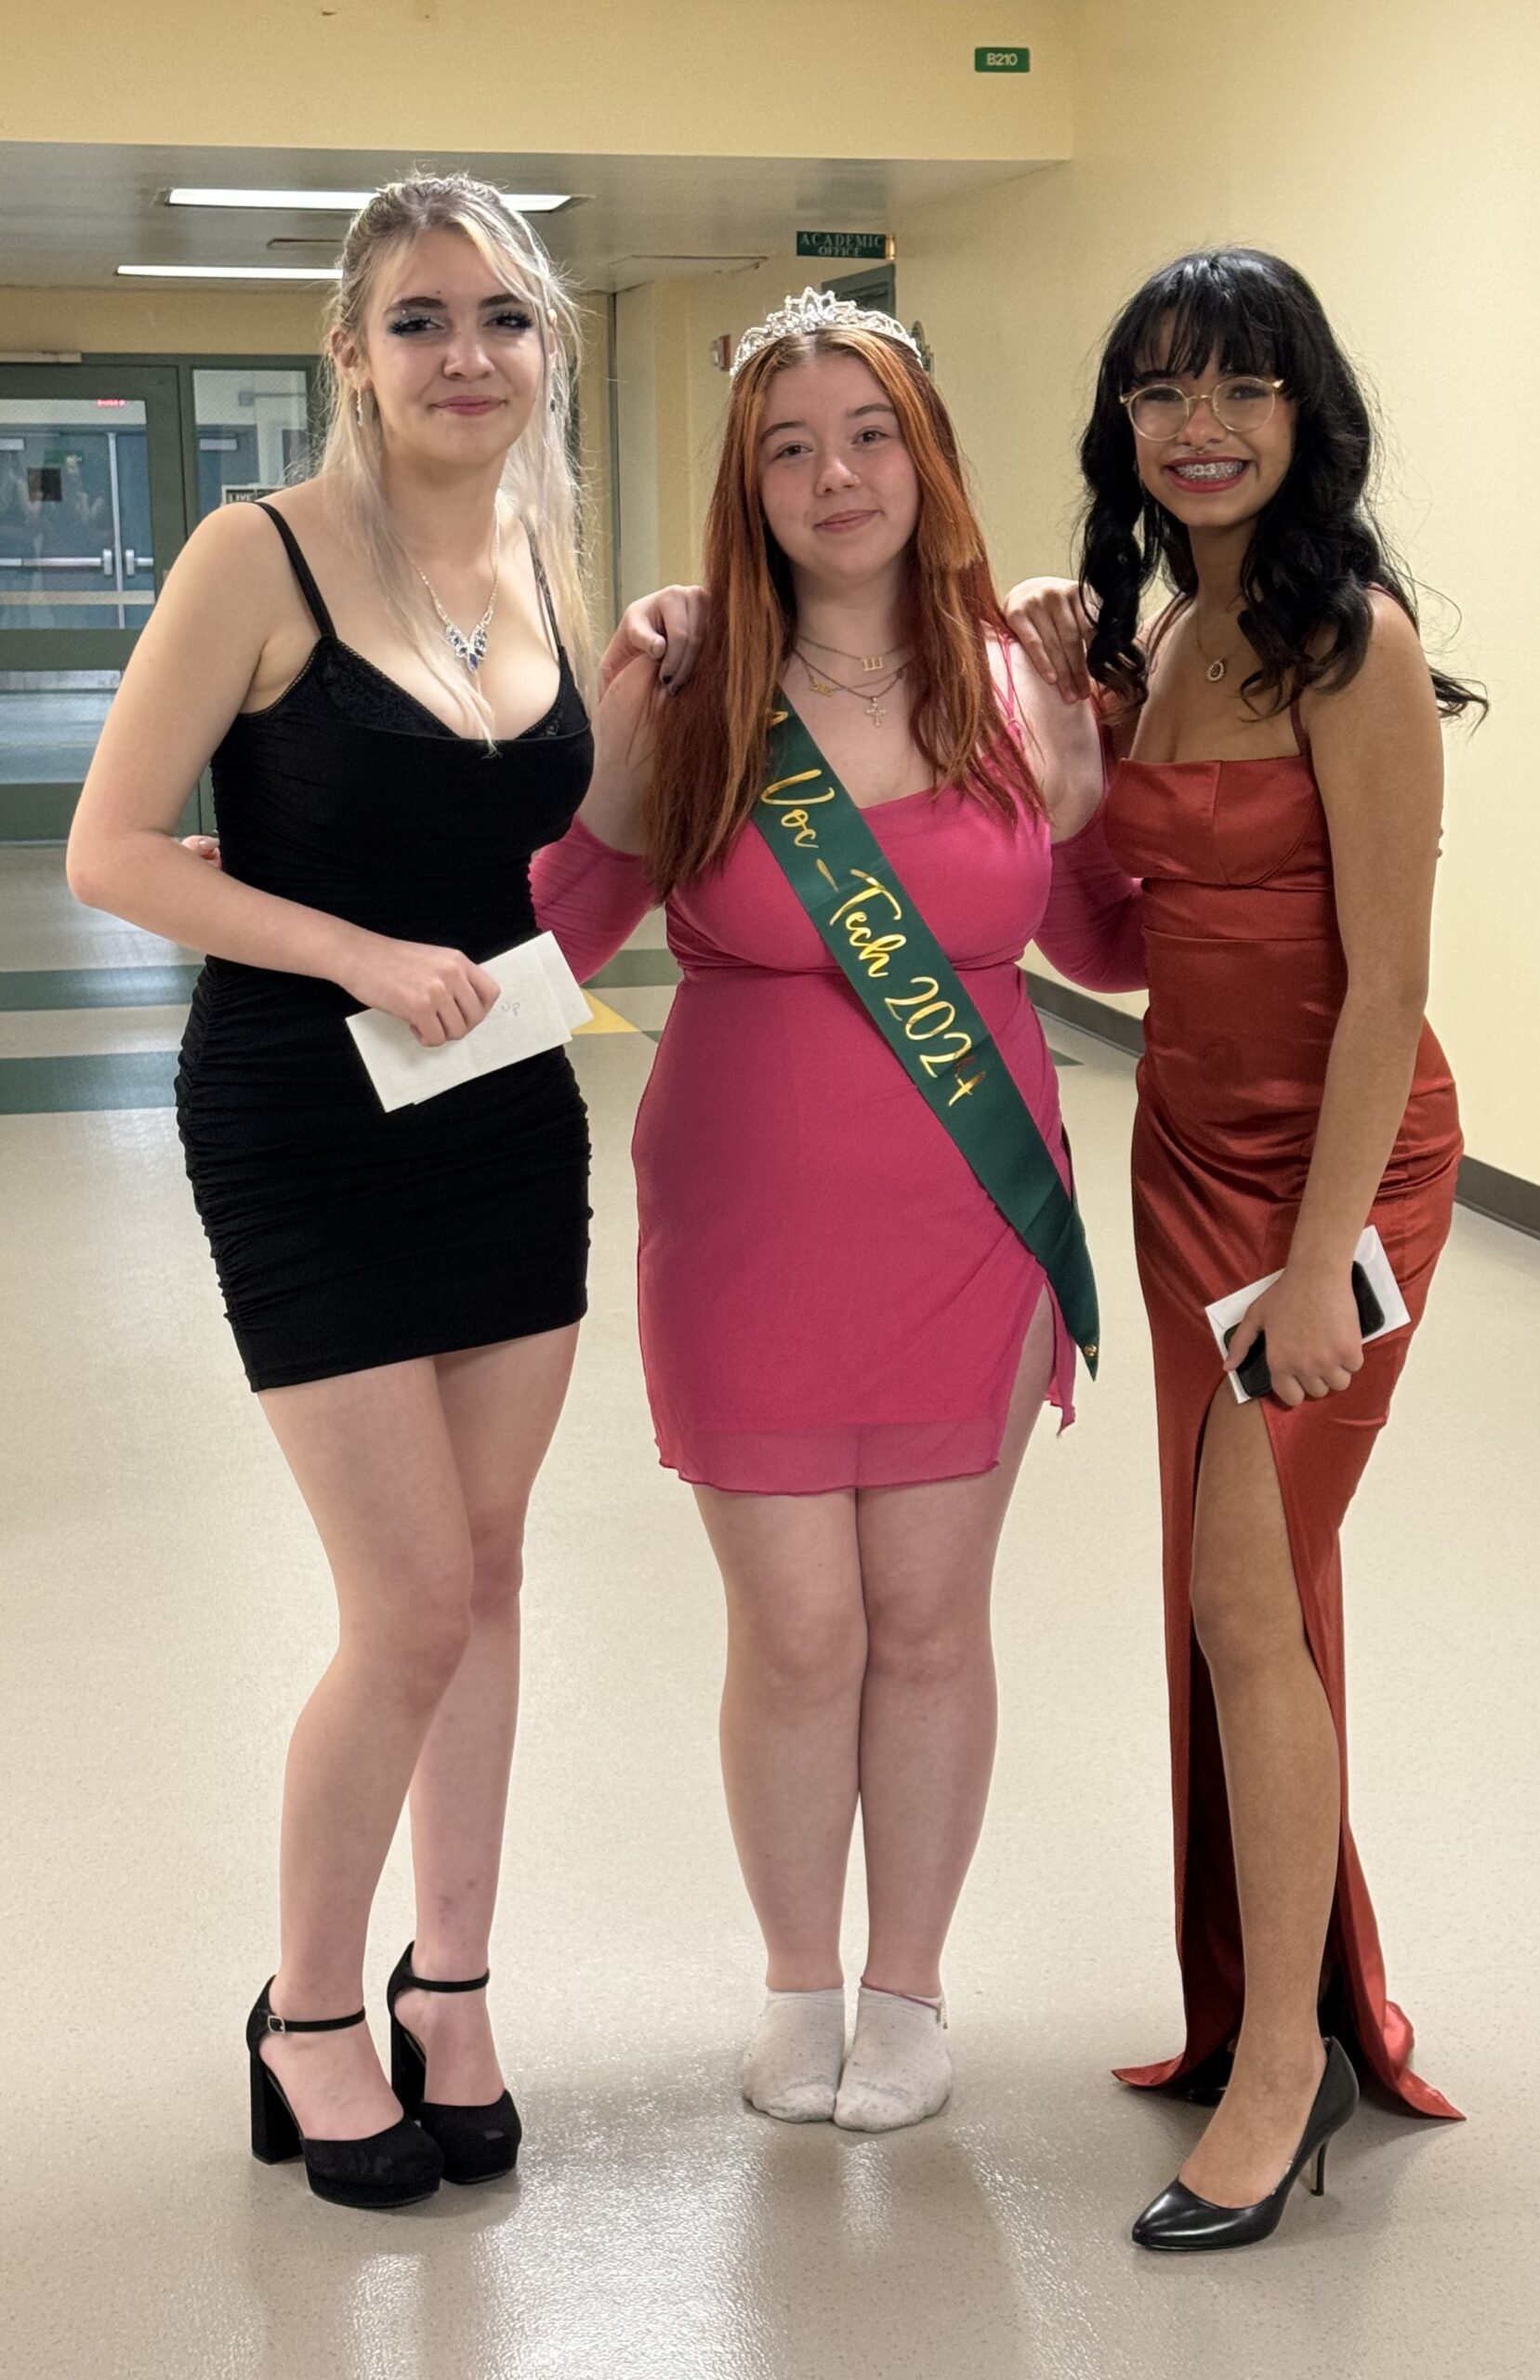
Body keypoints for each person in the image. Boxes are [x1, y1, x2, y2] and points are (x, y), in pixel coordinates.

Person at [65, 176, 599, 2209]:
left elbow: (575, 838)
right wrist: (358, 952)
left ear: (543, 349)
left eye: (501, 318)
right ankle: (306, 2010)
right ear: (351, 356)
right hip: (303, 1110)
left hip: (500, 1108)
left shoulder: (547, 558)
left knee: (497, 1573)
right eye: (418, 320)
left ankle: (448, 1979)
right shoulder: (256, 552)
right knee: (409, 1603)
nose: (466, 354)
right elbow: (114, 851)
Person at [532, 287, 1104, 2133]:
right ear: (746, 481)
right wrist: (318, 934)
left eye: (868, 433)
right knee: (797, 1628)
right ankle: (796, 1972)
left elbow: (1121, 930)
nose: (834, 474)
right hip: (748, 1217)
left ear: (925, 457)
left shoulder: (1027, 678)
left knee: (931, 1620)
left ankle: (911, 1980)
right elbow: (563, 914)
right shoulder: (681, 680)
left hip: (973, 1206)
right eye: (790, 444)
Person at [1019, 245, 1483, 2249]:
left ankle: (1285, 2065)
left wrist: (1317, 1272)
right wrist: (1058, 725)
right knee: (1249, 1596)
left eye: (1240, 389)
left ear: (1309, 414)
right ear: (1125, 435)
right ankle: (1253, 2002)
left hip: (1344, 1182)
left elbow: (1388, 984)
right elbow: (1115, 939)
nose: (1198, 428)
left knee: (1241, 1588)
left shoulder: (1348, 641)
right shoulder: (1168, 638)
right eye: (1159, 396)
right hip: (1187, 1158)